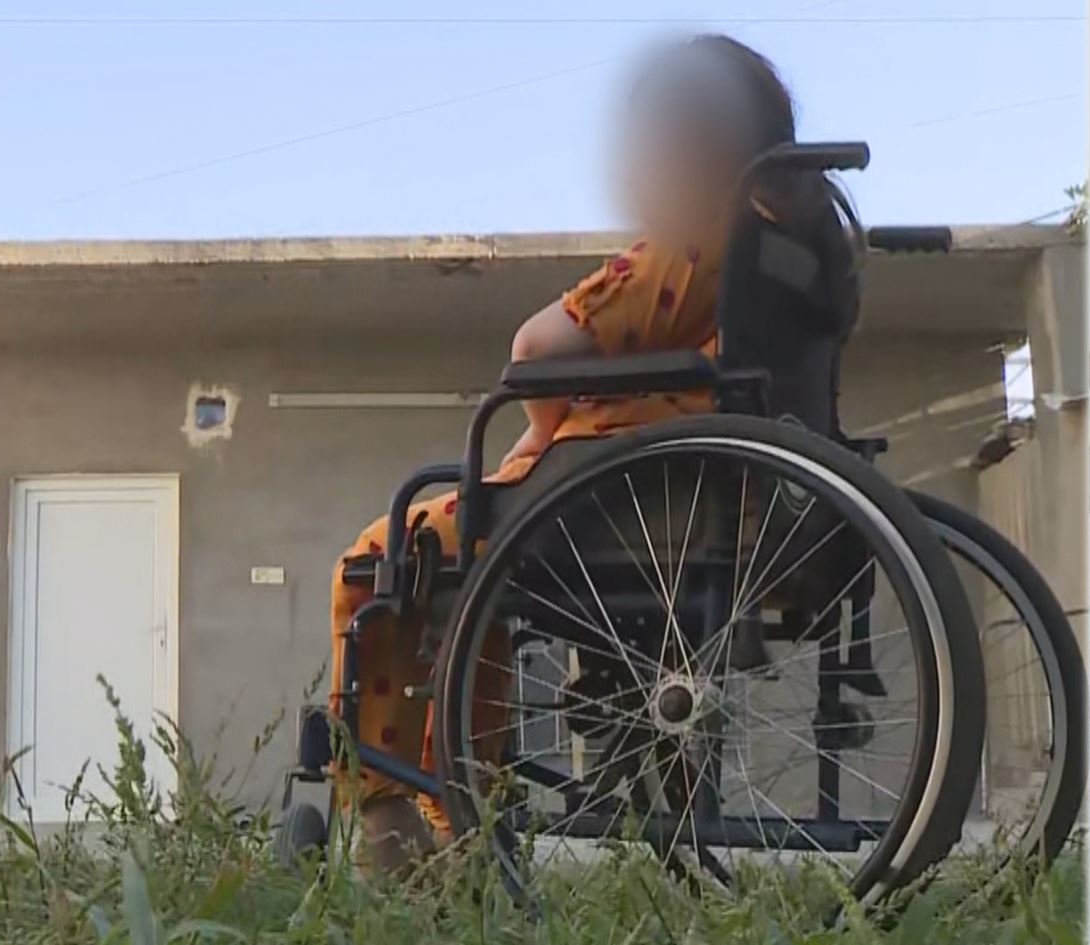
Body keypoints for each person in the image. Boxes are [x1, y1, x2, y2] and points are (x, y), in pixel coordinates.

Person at [327, 33, 863, 874]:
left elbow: (536, 348)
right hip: (727, 500)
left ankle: (394, 812)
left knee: (381, 561)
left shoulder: (688, 251)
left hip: (610, 506)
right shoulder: (795, 255)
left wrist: (540, 431)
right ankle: (461, 802)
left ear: (686, 149)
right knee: (467, 582)